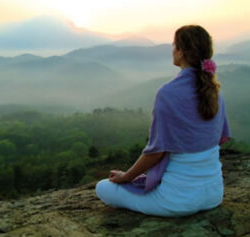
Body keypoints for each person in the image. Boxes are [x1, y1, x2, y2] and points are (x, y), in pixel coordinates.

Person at [95, 25, 231, 217]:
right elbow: (217, 138)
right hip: (214, 195)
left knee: (103, 188)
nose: (172, 50)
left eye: (174, 46)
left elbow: (156, 152)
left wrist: (127, 176)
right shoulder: (215, 91)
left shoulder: (168, 93)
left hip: (177, 201)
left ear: (182, 53)